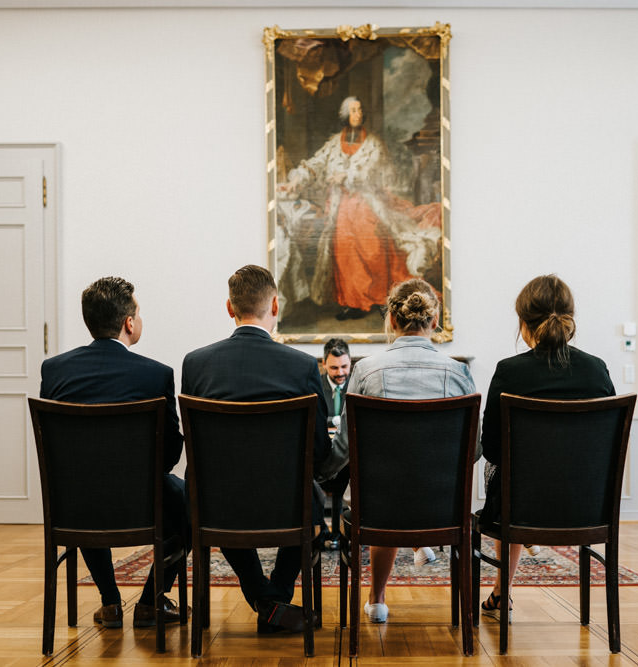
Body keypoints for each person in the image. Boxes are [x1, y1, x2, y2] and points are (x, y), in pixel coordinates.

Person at [180, 264, 332, 634]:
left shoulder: (196, 364)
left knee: (208, 494)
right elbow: (320, 451)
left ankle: (266, 597)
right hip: (288, 504)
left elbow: (194, 444)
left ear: (229, 308)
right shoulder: (301, 366)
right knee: (311, 500)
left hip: (218, 506)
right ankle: (273, 597)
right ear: (275, 305)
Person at [318, 278, 476, 624]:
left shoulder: (365, 371)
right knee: (398, 489)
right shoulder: (459, 373)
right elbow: (474, 449)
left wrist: (323, 472)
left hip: (381, 510)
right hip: (443, 510)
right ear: (434, 322)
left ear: (391, 319)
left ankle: (376, 600)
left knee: (384, 492)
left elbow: (345, 446)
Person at [39, 276, 188, 630]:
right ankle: (152, 601)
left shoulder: (54, 370)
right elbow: (168, 452)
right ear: (129, 323)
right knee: (190, 502)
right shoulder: (155, 374)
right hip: (141, 500)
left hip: (73, 505)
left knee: (86, 488)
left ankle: (110, 602)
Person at [478, 274, 615, 622]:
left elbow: (491, 448)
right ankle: (501, 593)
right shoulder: (596, 370)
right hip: (588, 508)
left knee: (496, 468)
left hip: (520, 508)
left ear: (524, 323)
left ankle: (502, 591)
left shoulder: (510, 372)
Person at [279, 96, 441, 320]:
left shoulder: (373, 144)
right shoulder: (335, 142)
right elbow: (317, 163)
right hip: (341, 206)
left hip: (367, 202)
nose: (358, 114)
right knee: (345, 252)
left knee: (373, 247)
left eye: (360, 109)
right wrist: (298, 179)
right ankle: (354, 302)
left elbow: (376, 173)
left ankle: (377, 299)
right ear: (345, 115)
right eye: (353, 110)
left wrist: (347, 176)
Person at [320, 337, 351, 428]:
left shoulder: (358, 385)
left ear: (350, 361)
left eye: (344, 366)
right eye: (334, 368)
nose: (340, 373)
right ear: (324, 364)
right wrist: (333, 421)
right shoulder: (315, 386)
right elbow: (313, 418)